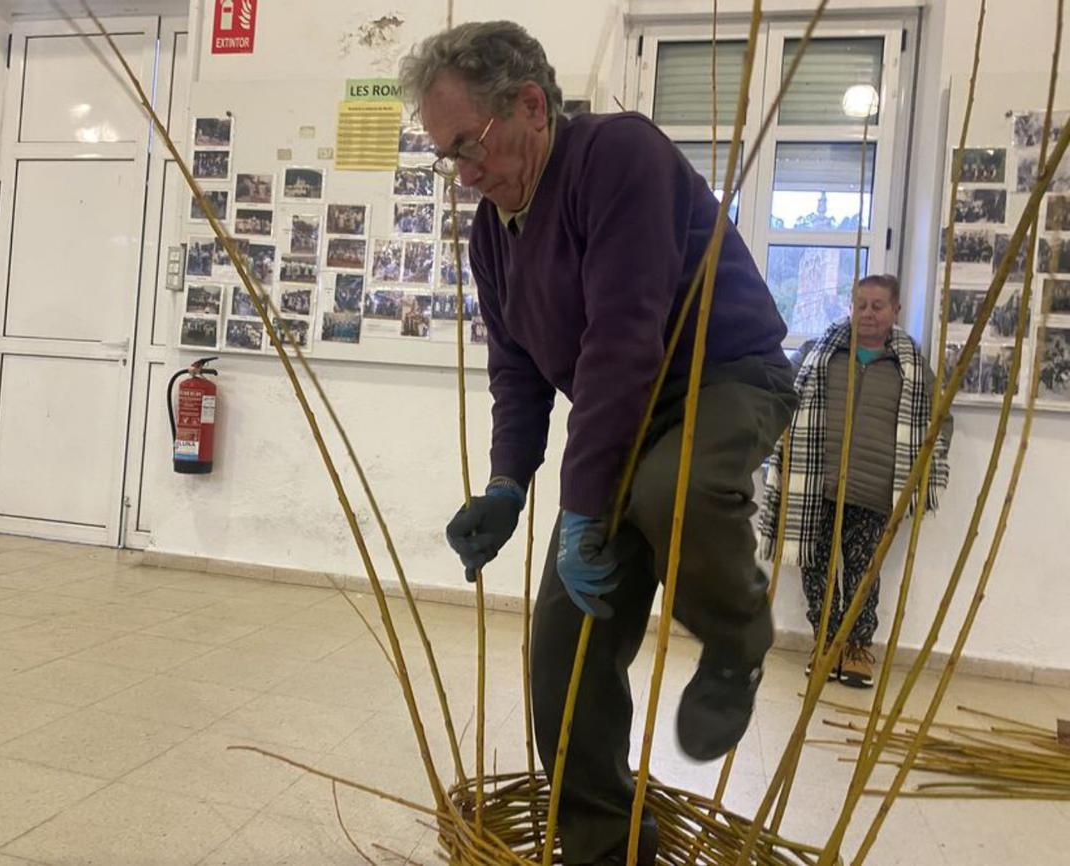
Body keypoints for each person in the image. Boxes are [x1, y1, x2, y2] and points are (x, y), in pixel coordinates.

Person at [400, 21, 797, 866]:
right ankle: (603, 849)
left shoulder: (618, 157)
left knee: (670, 493)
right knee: (563, 654)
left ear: (532, 106)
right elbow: (520, 370)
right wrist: (509, 483)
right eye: (446, 156)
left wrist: (581, 509)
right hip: (626, 415)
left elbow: (623, 337)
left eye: (468, 144)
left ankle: (735, 643)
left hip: (721, 379)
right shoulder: (491, 234)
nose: (463, 174)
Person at [758, 275, 951, 689]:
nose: (867, 313)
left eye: (877, 305)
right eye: (860, 304)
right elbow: (781, 398)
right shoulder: (818, 353)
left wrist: (924, 466)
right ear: (851, 306)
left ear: (895, 310)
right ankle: (826, 643)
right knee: (818, 568)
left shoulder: (911, 367)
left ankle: (858, 647)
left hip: (874, 490)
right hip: (818, 487)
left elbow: (939, 420)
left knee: (864, 572)